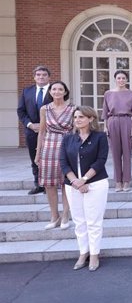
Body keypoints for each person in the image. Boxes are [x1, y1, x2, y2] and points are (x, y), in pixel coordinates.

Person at [60, 106, 109, 271]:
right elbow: (63, 162)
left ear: (90, 119)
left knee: (94, 221)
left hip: (95, 184)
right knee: (79, 221)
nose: (77, 120)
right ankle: (83, 252)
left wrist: (85, 179)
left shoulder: (100, 137)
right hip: (73, 185)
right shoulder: (68, 139)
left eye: (81, 117)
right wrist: (75, 182)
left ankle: (94, 254)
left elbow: (101, 160)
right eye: (75, 117)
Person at [35, 81, 75, 230]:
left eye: (60, 89)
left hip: (67, 146)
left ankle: (65, 215)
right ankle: (54, 216)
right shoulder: (44, 109)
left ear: (65, 92)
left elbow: (77, 130)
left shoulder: (73, 109)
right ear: (50, 92)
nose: (57, 92)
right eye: (54, 89)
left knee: (66, 182)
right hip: (49, 147)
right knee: (49, 183)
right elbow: (42, 131)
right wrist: (38, 152)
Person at [101, 70, 132, 192]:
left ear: (126, 80)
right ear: (115, 79)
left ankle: (127, 181)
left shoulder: (131, 94)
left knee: (127, 153)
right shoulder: (108, 93)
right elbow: (105, 112)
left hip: (127, 121)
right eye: (119, 78)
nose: (121, 80)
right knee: (115, 153)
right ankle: (118, 181)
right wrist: (105, 126)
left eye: (123, 78)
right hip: (112, 121)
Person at [17, 65, 51, 195]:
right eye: (38, 75)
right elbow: (21, 111)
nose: (41, 77)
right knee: (34, 158)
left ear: (49, 77)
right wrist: (30, 125)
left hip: (50, 130)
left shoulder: (55, 90)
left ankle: (51, 184)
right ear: (34, 77)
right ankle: (38, 184)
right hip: (32, 131)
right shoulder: (27, 91)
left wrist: (45, 125)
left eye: (44, 75)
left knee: (51, 157)